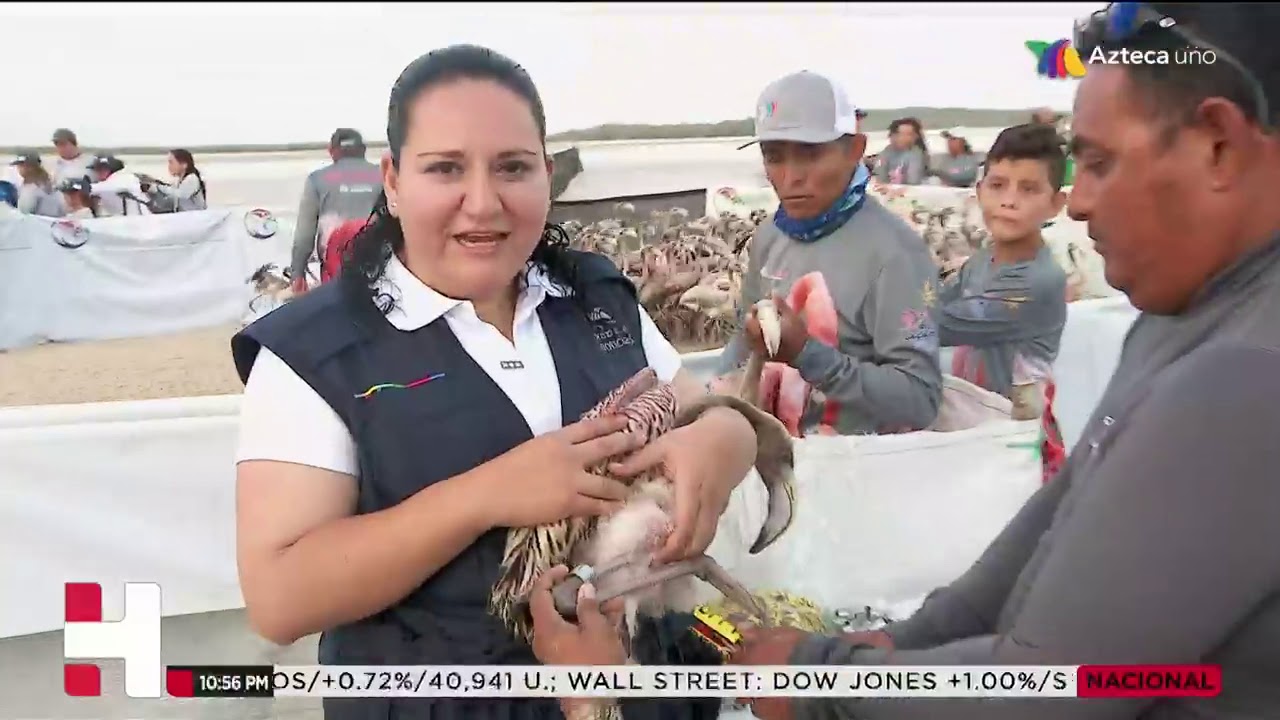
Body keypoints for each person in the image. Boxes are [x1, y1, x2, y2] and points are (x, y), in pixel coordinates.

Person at [530, 4, 1280, 719]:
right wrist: (894, 646)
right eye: (775, 154)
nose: (1075, 205)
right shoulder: (1179, 318)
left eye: (1099, 163)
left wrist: (820, 678)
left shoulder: (1245, 375)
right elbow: (1034, 546)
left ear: (1218, 144)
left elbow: (1050, 691)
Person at [231, 44, 761, 720]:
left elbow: (698, 408)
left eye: (513, 167)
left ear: (548, 172)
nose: (482, 204)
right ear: (392, 181)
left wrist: (725, 438)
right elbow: (280, 600)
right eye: (445, 168)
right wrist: (486, 495)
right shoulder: (315, 350)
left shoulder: (595, 297)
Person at [717, 70, 942, 435]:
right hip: (778, 459)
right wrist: (709, 395)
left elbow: (920, 401)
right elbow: (744, 343)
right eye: (774, 157)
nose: (791, 177)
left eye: (809, 154)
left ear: (854, 151)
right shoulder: (769, 238)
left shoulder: (895, 253)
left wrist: (806, 354)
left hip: (855, 473)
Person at [933, 123, 1068, 399]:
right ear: (980, 191)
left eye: (1028, 189)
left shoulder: (1036, 280)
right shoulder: (982, 260)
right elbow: (938, 300)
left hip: (1016, 430)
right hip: (975, 414)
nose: (1009, 201)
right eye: (997, 185)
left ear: (1056, 203)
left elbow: (936, 325)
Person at [288, 128, 382, 294]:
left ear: (332, 151)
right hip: (380, 265)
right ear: (363, 150)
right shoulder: (384, 176)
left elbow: (305, 234)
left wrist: (297, 273)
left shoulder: (317, 180)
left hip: (336, 268)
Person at [140, 148, 208, 212]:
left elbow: (181, 194)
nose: (169, 166)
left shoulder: (192, 179)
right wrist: (152, 192)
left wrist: (158, 187)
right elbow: (169, 201)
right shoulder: (179, 182)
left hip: (197, 220)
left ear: (184, 165)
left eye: (171, 162)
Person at [872, 117, 928, 185]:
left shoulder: (916, 154)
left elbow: (913, 181)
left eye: (909, 134)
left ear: (916, 137)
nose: (904, 138)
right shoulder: (886, 151)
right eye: (900, 134)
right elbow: (880, 176)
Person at [8, 152, 65, 217]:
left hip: (37, 224)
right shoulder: (49, 182)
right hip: (54, 223)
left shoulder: (31, 187)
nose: (19, 169)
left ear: (31, 167)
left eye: (21, 165)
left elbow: (23, 214)